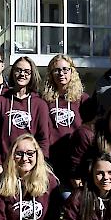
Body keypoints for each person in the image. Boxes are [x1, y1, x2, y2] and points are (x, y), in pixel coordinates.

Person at [0, 56, 50, 178]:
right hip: (5, 167)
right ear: (12, 72)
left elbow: (43, 139)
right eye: (18, 70)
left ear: (32, 74)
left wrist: (38, 165)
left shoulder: (40, 104)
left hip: (30, 167)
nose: (22, 74)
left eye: (27, 71)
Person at [41, 54, 89, 197]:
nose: (61, 73)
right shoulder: (43, 99)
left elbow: (88, 132)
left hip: (74, 162)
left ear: (72, 72)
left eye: (65, 69)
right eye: (56, 70)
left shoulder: (83, 99)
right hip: (50, 161)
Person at [69, 101, 111, 189]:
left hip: (110, 184)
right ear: (108, 117)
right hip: (83, 183)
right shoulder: (87, 134)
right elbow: (74, 171)